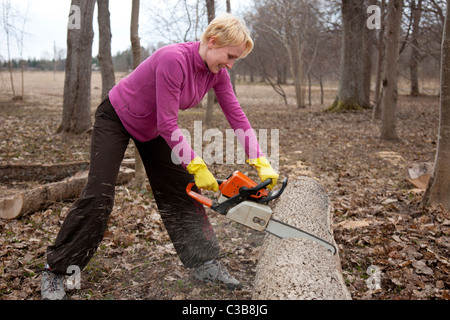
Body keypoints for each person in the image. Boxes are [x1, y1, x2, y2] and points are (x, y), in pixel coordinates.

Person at [40, 13, 279, 300]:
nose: (230, 64)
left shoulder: (217, 73)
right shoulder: (173, 59)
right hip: (116, 117)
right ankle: (56, 270)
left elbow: (236, 116)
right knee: (99, 194)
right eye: (229, 56)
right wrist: (197, 164)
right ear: (212, 42)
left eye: (234, 59)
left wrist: (260, 159)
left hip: (152, 129)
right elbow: (169, 123)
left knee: (183, 188)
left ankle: (204, 263)